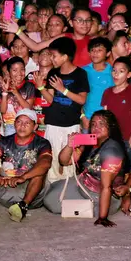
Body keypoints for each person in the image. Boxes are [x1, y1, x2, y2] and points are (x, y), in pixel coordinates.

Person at [44, 110, 127, 226]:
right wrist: (70, 145)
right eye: (93, 124)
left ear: (111, 127)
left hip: (102, 195)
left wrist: (103, 217)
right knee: (49, 198)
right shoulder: (90, 142)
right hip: (83, 184)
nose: (96, 127)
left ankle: (99, 209)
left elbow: (106, 186)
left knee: (59, 205)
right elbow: (64, 161)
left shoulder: (111, 150)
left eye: (101, 124)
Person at [0, 109, 52, 222]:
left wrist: (23, 177)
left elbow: (45, 163)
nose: (22, 126)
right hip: (8, 188)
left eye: (27, 123)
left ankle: (22, 206)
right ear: (14, 124)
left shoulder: (42, 143)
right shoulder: (5, 141)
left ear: (35, 126)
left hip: (32, 193)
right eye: (19, 122)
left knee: (39, 173)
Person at [34, 37, 90, 183]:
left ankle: (69, 190)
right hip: (53, 123)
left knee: (69, 159)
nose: (51, 58)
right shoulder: (53, 73)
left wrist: (63, 90)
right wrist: (40, 87)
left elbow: (81, 100)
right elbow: (51, 99)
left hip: (71, 124)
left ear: (65, 57)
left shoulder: (80, 74)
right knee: (51, 159)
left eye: (54, 55)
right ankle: (50, 189)